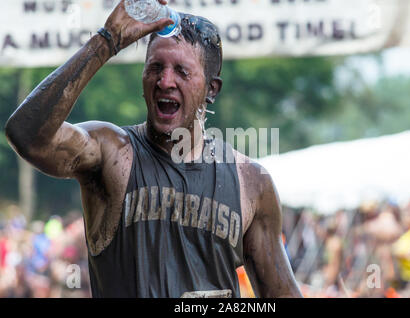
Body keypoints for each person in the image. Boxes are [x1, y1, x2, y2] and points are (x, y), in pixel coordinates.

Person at [5, 0, 302, 298]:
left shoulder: (250, 183)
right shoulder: (112, 153)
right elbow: (26, 135)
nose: (165, 81)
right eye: (155, 68)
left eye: (182, 72)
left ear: (212, 89)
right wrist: (107, 41)